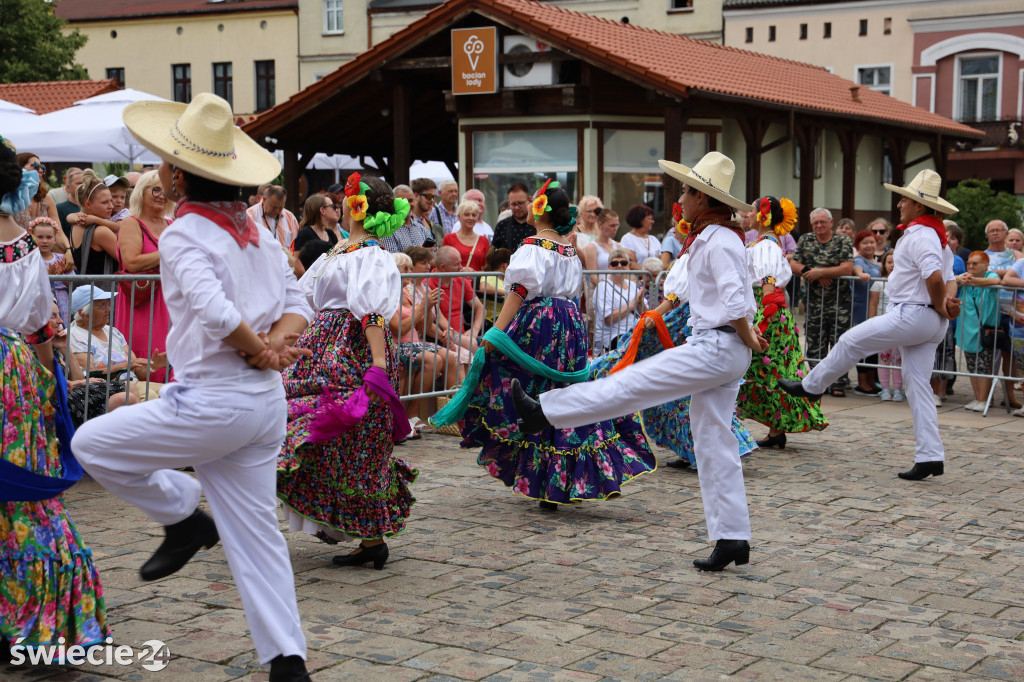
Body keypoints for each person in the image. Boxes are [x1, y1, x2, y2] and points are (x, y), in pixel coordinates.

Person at [71, 93, 314, 681]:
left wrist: (263, 350)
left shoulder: (185, 234)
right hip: (260, 404)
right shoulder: (253, 225)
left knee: (91, 446)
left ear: (178, 174)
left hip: (214, 399)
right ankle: (288, 660)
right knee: (257, 534)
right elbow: (296, 300)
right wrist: (272, 349)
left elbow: (212, 311)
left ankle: (181, 515)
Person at [511, 152, 766, 570]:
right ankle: (732, 537)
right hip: (720, 346)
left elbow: (736, 300)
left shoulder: (718, 240)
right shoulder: (714, 237)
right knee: (713, 441)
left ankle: (545, 412)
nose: (681, 197)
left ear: (703, 198)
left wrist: (747, 338)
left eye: (686, 191)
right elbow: (736, 301)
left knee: (630, 385)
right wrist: (747, 338)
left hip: (717, 347)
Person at [439, 178, 655, 510]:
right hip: (570, 325)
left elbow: (520, 292)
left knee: (532, 389)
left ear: (540, 209)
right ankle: (564, 480)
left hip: (542, 323)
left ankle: (545, 480)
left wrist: (495, 334)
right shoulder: (570, 248)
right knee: (563, 393)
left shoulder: (533, 247)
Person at [0, 133, 111, 656]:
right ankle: (34, 608)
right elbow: (43, 328)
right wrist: (49, 390)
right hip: (16, 368)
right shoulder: (23, 243)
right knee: (23, 484)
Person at [778, 169, 960, 481]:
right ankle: (930, 455)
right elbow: (949, 280)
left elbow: (935, 277)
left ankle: (811, 386)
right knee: (917, 386)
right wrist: (944, 305)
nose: (900, 203)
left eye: (906, 199)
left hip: (914, 314)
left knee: (851, 341)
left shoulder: (921, 235)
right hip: (928, 318)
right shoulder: (938, 238)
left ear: (919, 205)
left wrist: (938, 302)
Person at [277, 172, 416, 571]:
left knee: (355, 437)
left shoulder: (371, 254)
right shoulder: (337, 250)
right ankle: (366, 538)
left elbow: (371, 311)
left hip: (350, 348)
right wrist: (278, 341)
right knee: (328, 432)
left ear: (358, 206)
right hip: (322, 345)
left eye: (348, 197)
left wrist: (378, 364)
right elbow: (301, 301)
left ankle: (371, 539)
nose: (341, 202)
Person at [589, 246, 757, 471]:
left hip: (684, 323)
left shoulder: (698, 252)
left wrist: (655, 315)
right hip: (695, 323)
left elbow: (676, 296)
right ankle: (697, 451)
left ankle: (586, 384)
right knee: (682, 389)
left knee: (670, 384)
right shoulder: (713, 249)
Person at [737, 196, 828, 448]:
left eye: (751, 210)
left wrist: (764, 311)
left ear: (762, 215)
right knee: (769, 366)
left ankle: (756, 426)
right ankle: (775, 431)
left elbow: (767, 277)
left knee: (766, 365)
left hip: (765, 308)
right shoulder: (762, 241)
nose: (747, 214)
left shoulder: (766, 244)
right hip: (765, 306)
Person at [790, 207, 854, 395]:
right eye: (815, 222)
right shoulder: (806, 239)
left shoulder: (842, 240)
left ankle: (838, 383)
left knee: (839, 343)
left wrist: (821, 272)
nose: (819, 225)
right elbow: (794, 263)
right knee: (815, 343)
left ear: (831, 222)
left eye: (822, 222)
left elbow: (847, 268)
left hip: (839, 302)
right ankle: (818, 381)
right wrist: (814, 274)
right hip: (813, 301)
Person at [115, 170, 171, 383]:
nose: (161, 195)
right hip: (141, 302)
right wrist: (170, 251)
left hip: (169, 300)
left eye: (166, 191)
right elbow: (131, 262)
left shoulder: (172, 225)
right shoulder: (132, 223)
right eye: (155, 189)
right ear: (141, 192)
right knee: (147, 354)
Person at [982, 220, 1023, 409]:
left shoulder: (1015, 255)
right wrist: (1003, 273)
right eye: (992, 230)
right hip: (991, 310)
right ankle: (985, 394)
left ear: (1006, 233)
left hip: (1013, 311)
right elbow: (978, 273)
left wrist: (994, 274)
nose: (996, 233)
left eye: (999, 230)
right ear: (987, 235)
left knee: (1011, 355)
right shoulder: (983, 255)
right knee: (990, 355)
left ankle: (1009, 395)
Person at [956, 251, 1001, 412]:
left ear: (985, 265)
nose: (971, 266)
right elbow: (949, 279)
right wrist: (960, 278)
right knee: (971, 365)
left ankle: (983, 399)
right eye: (969, 263)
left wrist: (974, 280)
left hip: (984, 330)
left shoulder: (990, 274)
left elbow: (996, 280)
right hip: (967, 330)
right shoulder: (965, 276)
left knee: (983, 366)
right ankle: (977, 398)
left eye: (975, 263)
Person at [68, 170, 120, 286]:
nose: (111, 206)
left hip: (86, 294)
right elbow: (127, 260)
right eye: (104, 202)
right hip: (103, 296)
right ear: (88, 204)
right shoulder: (101, 232)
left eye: (111, 200)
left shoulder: (75, 225)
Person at [429, 245, 484, 353]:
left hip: (462, 336)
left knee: (494, 343)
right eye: (456, 264)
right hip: (442, 337)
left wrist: (475, 330)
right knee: (472, 344)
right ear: (443, 267)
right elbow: (435, 319)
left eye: (460, 262)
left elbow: (481, 309)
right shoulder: (427, 284)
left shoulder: (460, 279)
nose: (461, 267)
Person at [592, 248, 644, 354]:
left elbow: (644, 312)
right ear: (609, 267)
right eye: (615, 263)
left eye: (623, 263)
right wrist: (631, 305)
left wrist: (640, 302)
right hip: (613, 336)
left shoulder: (633, 285)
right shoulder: (603, 287)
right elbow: (609, 318)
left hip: (635, 331)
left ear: (629, 266)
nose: (619, 266)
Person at [869, 251, 903, 402]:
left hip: (899, 326)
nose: (892, 265)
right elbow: (873, 303)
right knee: (883, 358)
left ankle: (897, 389)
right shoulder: (879, 282)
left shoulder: (905, 282)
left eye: (896, 262)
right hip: (883, 325)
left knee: (898, 359)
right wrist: (871, 322)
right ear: (884, 264)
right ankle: (884, 388)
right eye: (889, 262)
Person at [851, 230, 882, 396]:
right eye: (865, 243)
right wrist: (860, 274)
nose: (869, 245)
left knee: (873, 345)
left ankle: (871, 380)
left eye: (872, 242)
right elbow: (857, 269)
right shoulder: (859, 260)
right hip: (861, 308)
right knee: (864, 343)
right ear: (858, 246)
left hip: (876, 307)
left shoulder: (877, 262)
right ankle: (862, 382)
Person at [28, 217, 72, 324]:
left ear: (55, 239)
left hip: (63, 302)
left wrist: (61, 276)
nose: (44, 241)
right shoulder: (29, 260)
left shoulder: (62, 258)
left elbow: (72, 285)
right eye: (40, 237)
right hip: (40, 303)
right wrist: (47, 276)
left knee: (63, 328)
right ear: (32, 237)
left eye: (49, 237)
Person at [381, 183, 431, 253]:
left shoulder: (421, 228)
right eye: (402, 200)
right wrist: (420, 253)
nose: (407, 204)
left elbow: (430, 256)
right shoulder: (388, 230)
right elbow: (394, 260)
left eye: (410, 200)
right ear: (393, 203)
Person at [247, 185, 300, 250]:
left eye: (281, 208)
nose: (277, 211)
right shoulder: (249, 216)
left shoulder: (290, 218)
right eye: (274, 207)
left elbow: (296, 247)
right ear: (264, 199)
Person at [443, 200, 490, 271]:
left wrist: (473, 273)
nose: (471, 218)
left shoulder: (484, 240)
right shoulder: (449, 238)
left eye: (474, 215)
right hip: (455, 281)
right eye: (466, 214)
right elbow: (444, 264)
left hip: (476, 281)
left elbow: (487, 268)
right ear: (459, 217)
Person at [582, 208, 621, 287]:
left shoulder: (618, 246)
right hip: (601, 290)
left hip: (616, 291)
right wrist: (608, 289)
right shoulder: (592, 247)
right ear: (600, 225)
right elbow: (593, 276)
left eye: (617, 225)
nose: (615, 229)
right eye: (612, 225)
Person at [492, 183, 535, 252]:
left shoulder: (538, 225)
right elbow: (493, 254)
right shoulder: (502, 226)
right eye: (513, 204)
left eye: (521, 203)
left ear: (529, 200)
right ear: (509, 203)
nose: (517, 207)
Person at [479, 246, 511, 323]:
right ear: (505, 266)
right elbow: (483, 288)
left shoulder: (506, 280)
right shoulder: (489, 276)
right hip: (493, 319)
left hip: (505, 317)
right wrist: (507, 293)